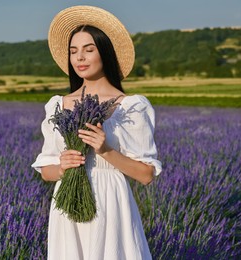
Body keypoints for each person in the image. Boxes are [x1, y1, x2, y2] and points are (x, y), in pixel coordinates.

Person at [32, 5, 162, 260]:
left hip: (111, 205)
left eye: (88, 50)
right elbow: (46, 170)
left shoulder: (131, 107)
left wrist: (105, 150)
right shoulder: (57, 104)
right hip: (67, 208)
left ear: (105, 53)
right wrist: (61, 167)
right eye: (73, 51)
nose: (79, 57)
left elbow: (146, 175)